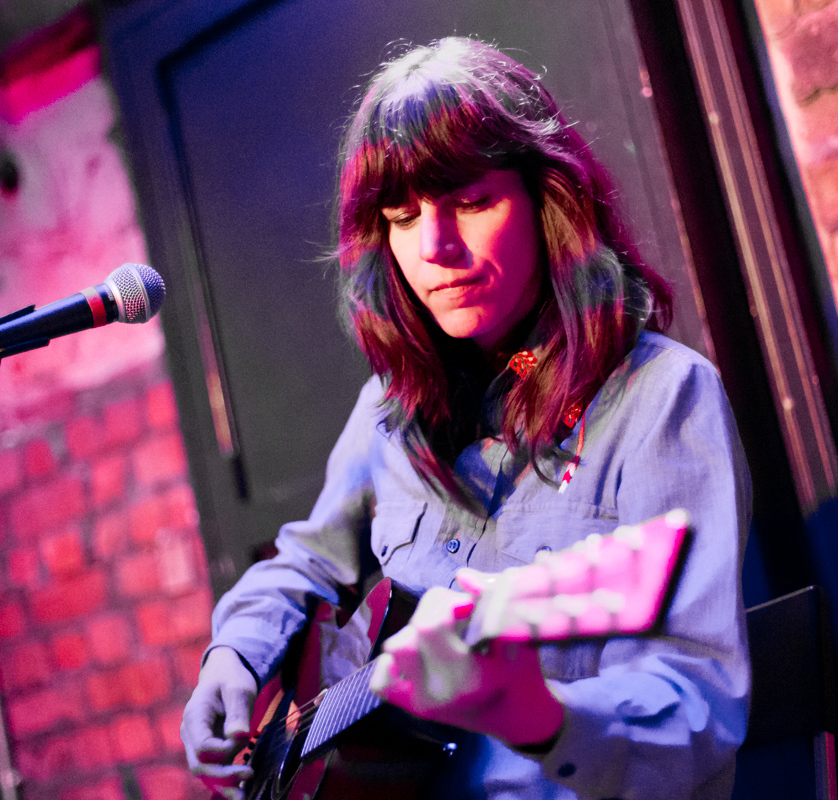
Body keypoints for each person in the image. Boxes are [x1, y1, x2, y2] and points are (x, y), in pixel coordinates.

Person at [181, 36, 751, 800]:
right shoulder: (388, 411)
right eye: (402, 216)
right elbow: (306, 564)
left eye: (471, 203)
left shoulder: (665, 398)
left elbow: (699, 707)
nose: (436, 248)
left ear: (547, 201)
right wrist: (236, 654)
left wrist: (544, 717)